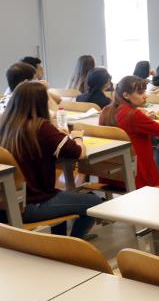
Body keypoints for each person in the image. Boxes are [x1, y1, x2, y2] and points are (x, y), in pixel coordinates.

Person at [0, 82, 101, 238]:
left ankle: (57, 241)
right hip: (32, 205)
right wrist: (77, 137)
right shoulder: (41, 127)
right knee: (95, 202)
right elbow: (78, 153)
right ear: (41, 102)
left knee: (60, 195)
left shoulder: (5, 124)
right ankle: (74, 243)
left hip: (7, 204)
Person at [99, 76, 159, 188]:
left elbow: (129, 128)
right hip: (138, 175)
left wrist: (146, 119)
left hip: (112, 174)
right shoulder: (134, 115)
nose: (145, 96)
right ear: (126, 95)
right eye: (140, 93)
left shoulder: (106, 111)